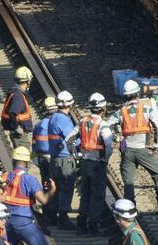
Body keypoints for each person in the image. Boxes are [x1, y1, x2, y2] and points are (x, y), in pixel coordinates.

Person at [3, 146, 58, 245]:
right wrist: (52, 189)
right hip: (24, 223)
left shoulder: (5, 176)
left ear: (14, 160)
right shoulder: (29, 179)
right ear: (27, 163)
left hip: (6, 222)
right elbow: (43, 200)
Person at [106, 79, 158, 208]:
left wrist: (116, 138)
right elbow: (157, 127)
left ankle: (130, 208)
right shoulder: (147, 108)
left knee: (129, 182)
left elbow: (107, 125)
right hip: (143, 149)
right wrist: (156, 145)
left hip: (127, 151)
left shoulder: (121, 111)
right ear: (137, 93)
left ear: (125, 95)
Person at [67, 93, 112, 235]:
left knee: (85, 193)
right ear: (103, 108)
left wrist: (75, 153)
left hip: (85, 163)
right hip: (97, 164)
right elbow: (109, 145)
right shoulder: (103, 125)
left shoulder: (82, 121)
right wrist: (105, 159)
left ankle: (81, 225)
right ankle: (93, 226)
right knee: (97, 195)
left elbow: (69, 138)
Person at [47, 91, 77, 228]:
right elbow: (71, 138)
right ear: (70, 104)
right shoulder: (64, 120)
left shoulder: (53, 117)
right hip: (65, 159)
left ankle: (52, 217)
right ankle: (63, 218)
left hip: (55, 159)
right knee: (66, 188)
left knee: (57, 188)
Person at [32, 97, 58, 225]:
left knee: (46, 185)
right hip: (54, 158)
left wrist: (35, 159)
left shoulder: (39, 124)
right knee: (55, 185)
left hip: (42, 158)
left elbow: (34, 143)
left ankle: (47, 214)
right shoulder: (58, 123)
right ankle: (54, 215)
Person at [0, 66, 34, 149]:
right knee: (23, 159)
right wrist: (17, 128)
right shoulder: (18, 95)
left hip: (19, 134)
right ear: (28, 81)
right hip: (20, 135)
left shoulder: (15, 93)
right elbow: (12, 112)